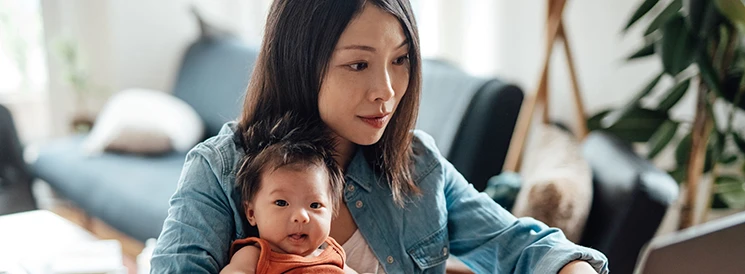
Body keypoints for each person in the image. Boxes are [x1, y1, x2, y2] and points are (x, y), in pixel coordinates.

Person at [151, 0, 610, 273]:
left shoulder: (416, 163)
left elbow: (519, 243)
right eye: (358, 64)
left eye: (401, 59)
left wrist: (572, 266)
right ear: (299, 62)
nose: (387, 92)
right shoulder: (219, 172)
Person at [220, 114, 354, 274]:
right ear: (251, 213)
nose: (301, 216)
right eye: (281, 203)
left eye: (315, 205)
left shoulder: (333, 256)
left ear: (332, 213)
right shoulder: (255, 255)